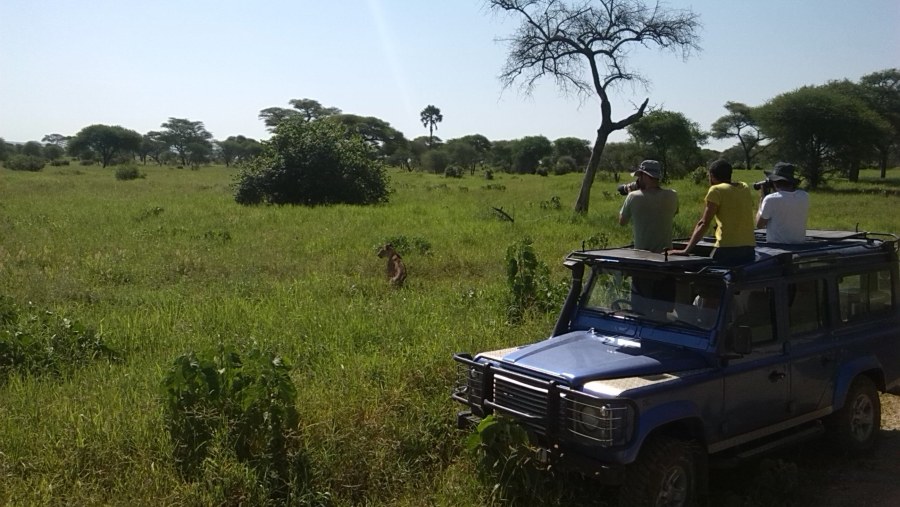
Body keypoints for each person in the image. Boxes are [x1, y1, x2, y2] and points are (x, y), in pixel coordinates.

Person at [670, 159, 756, 266]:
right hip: (749, 248)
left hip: (727, 248)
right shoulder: (744, 186)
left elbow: (704, 223)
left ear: (712, 176)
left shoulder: (716, 190)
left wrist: (686, 250)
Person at [618, 160, 679, 253]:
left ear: (645, 176)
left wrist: (630, 195)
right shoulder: (672, 195)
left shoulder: (633, 197)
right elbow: (671, 214)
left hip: (642, 256)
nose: (638, 180)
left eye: (639, 176)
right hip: (666, 255)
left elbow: (622, 222)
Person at [756, 162, 809, 243]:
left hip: (777, 247)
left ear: (775, 182)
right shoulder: (804, 196)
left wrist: (761, 200)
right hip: (799, 244)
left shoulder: (770, 199)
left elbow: (759, 225)